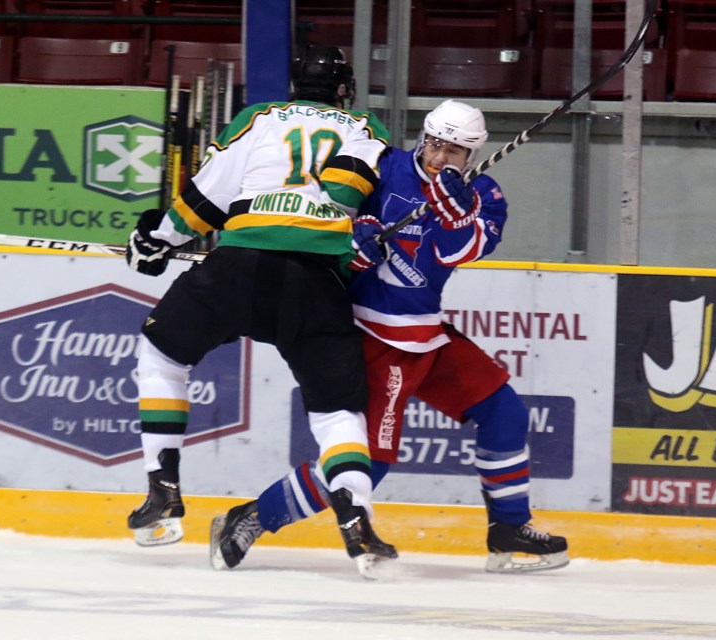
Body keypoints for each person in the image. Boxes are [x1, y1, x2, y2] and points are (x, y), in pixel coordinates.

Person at [210, 99, 570, 574]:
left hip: (427, 334)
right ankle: (252, 516)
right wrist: (353, 244)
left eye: (454, 151)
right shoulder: (383, 166)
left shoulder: (484, 193)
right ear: (422, 137)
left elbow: (461, 252)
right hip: (373, 337)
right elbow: (323, 219)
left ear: (473, 153)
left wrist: (455, 217)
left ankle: (508, 529)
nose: (440, 158)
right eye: (435, 144)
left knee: (505, 413)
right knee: (369, 464)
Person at [123, 44, 398, 575]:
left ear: (296, 87)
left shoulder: (261, 118)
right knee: (338, 414)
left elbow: (207, 198)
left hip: (240, 268)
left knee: (161, 355)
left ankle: (163, 487)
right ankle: (358, 517)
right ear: (345, 90)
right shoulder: (369, 130)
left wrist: (157, 238)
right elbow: (361, 202)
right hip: (317, 284)